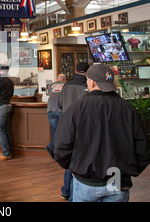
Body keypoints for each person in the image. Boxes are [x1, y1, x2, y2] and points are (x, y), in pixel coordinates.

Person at [54, 64, 150, 202]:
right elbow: (144, 151)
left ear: (92, 82)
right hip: (118, 181)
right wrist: (127, 174)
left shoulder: (76, 108)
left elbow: (61, 146)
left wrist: (72, 167)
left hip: (86, 181)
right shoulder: (128, 109)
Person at [56, 61, 89, 199]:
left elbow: (59, 104)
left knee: (70, 160)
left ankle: (66, 191)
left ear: (76, 70)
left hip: (68, 126)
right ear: (87, 71)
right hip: (85, 126)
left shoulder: (66, 85)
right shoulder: (88, 85)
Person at [45, 74, 66, 158]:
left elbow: (48, 94)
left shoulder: (52, 85)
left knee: (54, 132)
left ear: (57, 79)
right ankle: (54, 148)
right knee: (62, 132)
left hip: (50, 110)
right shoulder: (65, 85)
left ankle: (55, 150)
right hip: (60, 110)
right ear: (64, 79)